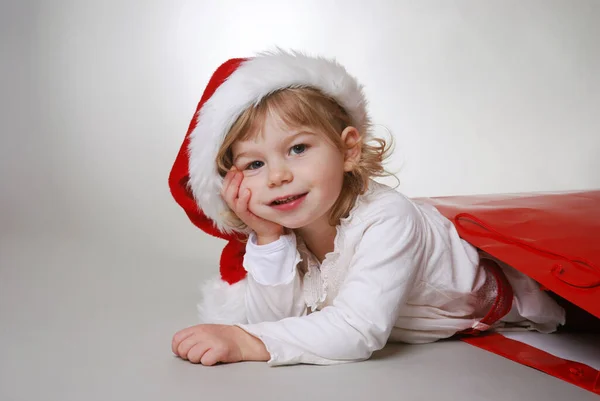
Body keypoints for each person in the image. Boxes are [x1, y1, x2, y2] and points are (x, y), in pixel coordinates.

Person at [168, 49, 566, 367]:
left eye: (298, 148)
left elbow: (358, 330)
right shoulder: (288, 230)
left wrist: (245, 340)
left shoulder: (387, 216)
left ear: (348, 149)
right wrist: (267, 237)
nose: (277, 176)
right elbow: (279, 320)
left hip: (521, 294)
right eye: (254, 164)